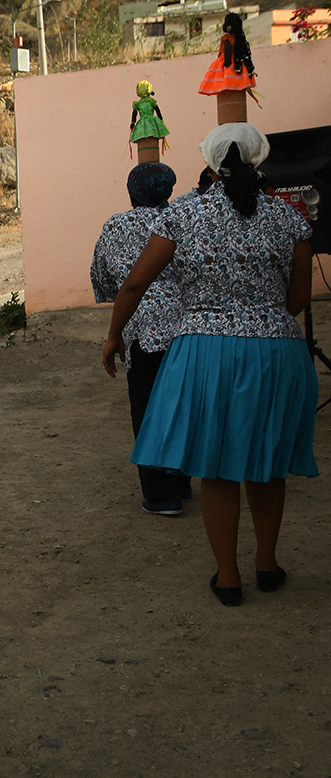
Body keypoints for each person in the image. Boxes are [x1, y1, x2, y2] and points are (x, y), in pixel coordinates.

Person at [103, 123, 317, 608]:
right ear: (260, 160)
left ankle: (228, 578)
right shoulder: (289, 218)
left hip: (205, 351)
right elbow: (299, 298)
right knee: (266, 464)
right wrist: (258, 312)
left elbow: (135, 285)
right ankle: (267, 565)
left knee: (217, 468)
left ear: (210, 161)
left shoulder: (183, 214)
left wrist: (115, 335)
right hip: (276, 352)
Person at [91, 162, 192, 515]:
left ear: (132, 192)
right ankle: (182, 481)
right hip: (185, 325)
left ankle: (163, 495)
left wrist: (113, 333)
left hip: (142, 328)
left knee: (148, 409)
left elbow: (107, 279)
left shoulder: (116, 226)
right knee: (182, 404)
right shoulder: (183, 217)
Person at [199, 13, 257, 97]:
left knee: (226, 82)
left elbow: (227, 55)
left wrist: (226, 63)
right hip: (238, 63)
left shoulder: (228, 39)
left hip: (228, 64)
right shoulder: (240, 40)